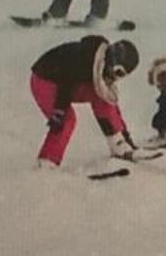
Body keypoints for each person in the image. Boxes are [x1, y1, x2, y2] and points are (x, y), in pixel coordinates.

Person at [29, 34, 147, 167]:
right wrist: (59, 111)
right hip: (44, 80)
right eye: (117, 72)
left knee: (102, 97)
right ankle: (47, 161)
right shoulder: (85, 59)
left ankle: (118, 143)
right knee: (68, 120)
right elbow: (66, 81)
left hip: (65, 82)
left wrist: (126, 137)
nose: (115, 77)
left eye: (121, 75)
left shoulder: (100, 67)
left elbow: (111, 104)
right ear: (112, 60)